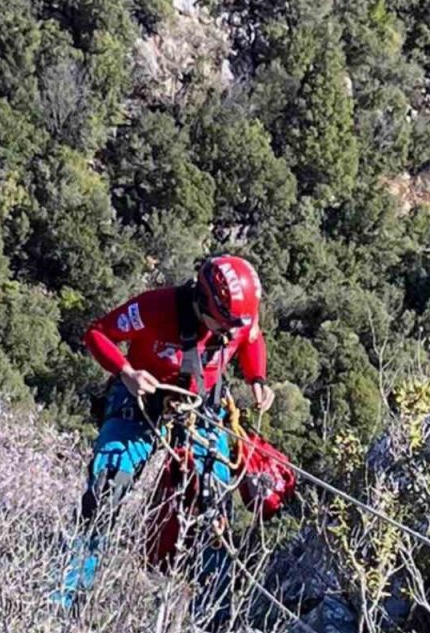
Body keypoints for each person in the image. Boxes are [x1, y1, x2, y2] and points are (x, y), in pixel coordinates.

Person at [53, 256, 276, 605]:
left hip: (201, 408)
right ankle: (67, 595)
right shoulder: (155, 308)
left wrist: (257, 377)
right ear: (202, 301)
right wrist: (126, 371)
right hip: (141, 403)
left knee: (213, 504)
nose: (230, 334)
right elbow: (98, 333)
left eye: (235, 326)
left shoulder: (237, 320)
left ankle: (209, 612)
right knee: (107, 487)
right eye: (224, 326)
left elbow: (252, 339)